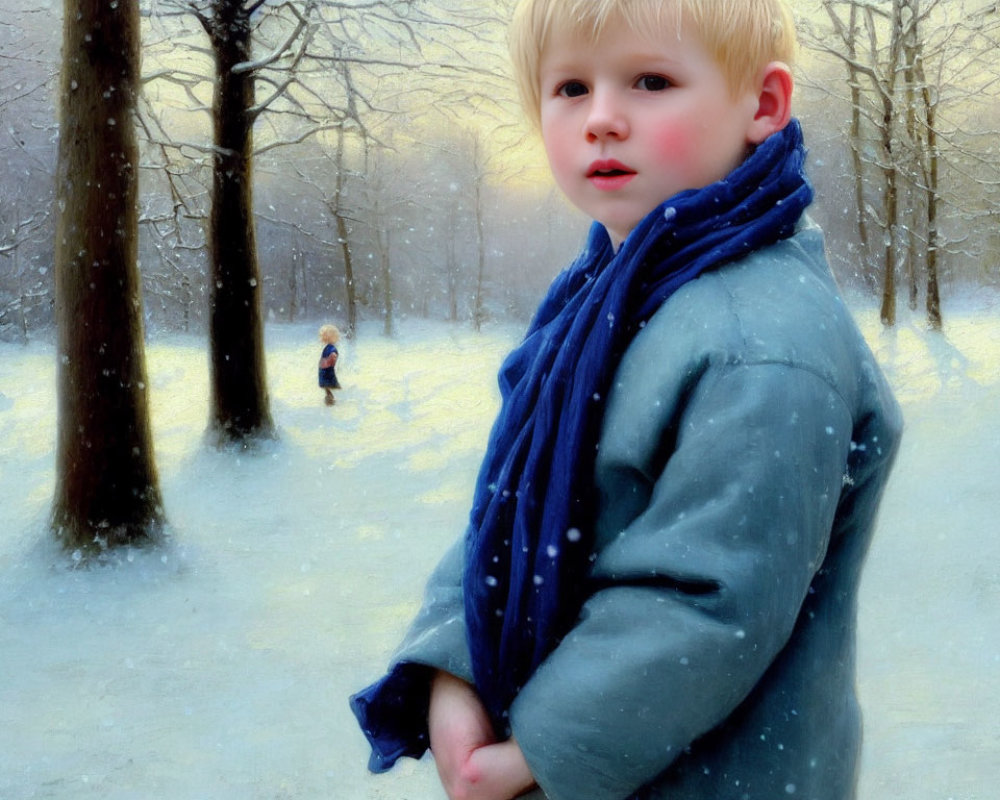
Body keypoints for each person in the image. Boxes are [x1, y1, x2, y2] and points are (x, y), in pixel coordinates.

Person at [350, 1, 903, 798]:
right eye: (570, 87)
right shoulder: (607, 298)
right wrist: (452, 666)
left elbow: (705, 603)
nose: (602, 119)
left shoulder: (763, 341)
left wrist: (531, 754)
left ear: (764, 105)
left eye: (650, 80)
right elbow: (513, 499)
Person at [318, 324, 341, 406]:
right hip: (324, 370)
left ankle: (330, 400)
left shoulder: (331, 347)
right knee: (327, 386)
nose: (321, 338)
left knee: (328, 385)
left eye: (322, 336)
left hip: (326, 370)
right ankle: (329, 399)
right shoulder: (328, 347)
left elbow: (333, 354)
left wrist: (328, 361)